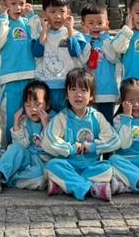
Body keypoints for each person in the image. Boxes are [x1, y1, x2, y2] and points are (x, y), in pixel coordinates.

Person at [41, 67, 120, 202]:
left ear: (91, 96)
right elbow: (47, 141)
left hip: (91, 166)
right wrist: (71, 148)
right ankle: (91, 188)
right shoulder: (62, 118)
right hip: (68, 165)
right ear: (66, 94)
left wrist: (93, 147)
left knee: (107, 169)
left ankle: (65, 185)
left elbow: (114, 140)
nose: (78, 95)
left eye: (83, 90)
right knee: (52, 166)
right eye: (73, 89)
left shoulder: (97, 117)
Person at [0, 0, 41, 143]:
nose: (18, 8)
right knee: (10, 117)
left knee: (30, 116)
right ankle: (8, 148)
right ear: (3, 4)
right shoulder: (1, 24)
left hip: (30, 77)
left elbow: (39, 37)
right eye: (13, 3)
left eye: (21, 3)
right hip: (9, 79)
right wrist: (3, 18)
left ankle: (29, 147)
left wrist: (32, 16)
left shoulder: (27, 23)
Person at [31, 0, 86, 112]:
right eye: (52, 12)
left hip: (67, 86)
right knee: (48, 117)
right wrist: (44, 31)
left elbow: (75, 52)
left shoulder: (74, 34)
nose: (58, 16)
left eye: (62, 11)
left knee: (66, 116)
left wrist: (70, 30)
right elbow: (36, 53)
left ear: (68, 13)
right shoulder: (40, 35)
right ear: (45, 14)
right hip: (45, 86)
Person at [0, 80, 52, 191]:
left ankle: (10, 180)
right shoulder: (25, 121)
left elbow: (52, 146)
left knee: (39, 175)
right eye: (28, 105)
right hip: (27, 158)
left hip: (43, 162)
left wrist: (46, 125)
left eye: (37, 104)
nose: (33, 109)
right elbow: (22, 145)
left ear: (47, 105)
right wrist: (17, 124)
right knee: (14, 148)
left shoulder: (54, 119)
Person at [78, 3, 119, 122]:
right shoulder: (82, 41)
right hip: (88, 92)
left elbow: (113, 58)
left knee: (107, 123)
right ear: (83, 24)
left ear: (107, 24)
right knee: (89, 122)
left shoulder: (110, 41)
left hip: (107, 92)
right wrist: (87, 38)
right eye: (91, 23)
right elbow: (81, 60)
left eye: (100, 23)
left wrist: (104, 38)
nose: (96, 26)